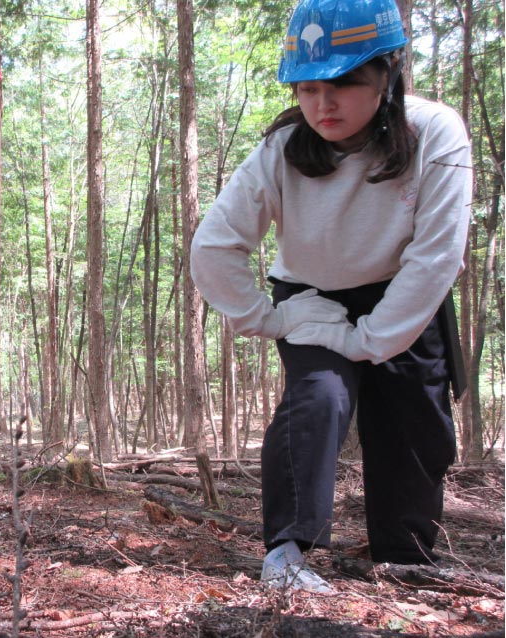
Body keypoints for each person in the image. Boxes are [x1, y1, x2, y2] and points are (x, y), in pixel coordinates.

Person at [190, 0, 472, 593]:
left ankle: (407, 558)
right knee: (318, 399)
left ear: (387, 75)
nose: (324, 105)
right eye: (309, 87)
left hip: (405, 295)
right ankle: (287, 554)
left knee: (415, 420)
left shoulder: (436, 132)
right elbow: (214, 247)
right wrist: (269, 317)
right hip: (312, 297)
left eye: (345, 83)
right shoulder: (282, 149)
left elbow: (436, 256)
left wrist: (369, 337)